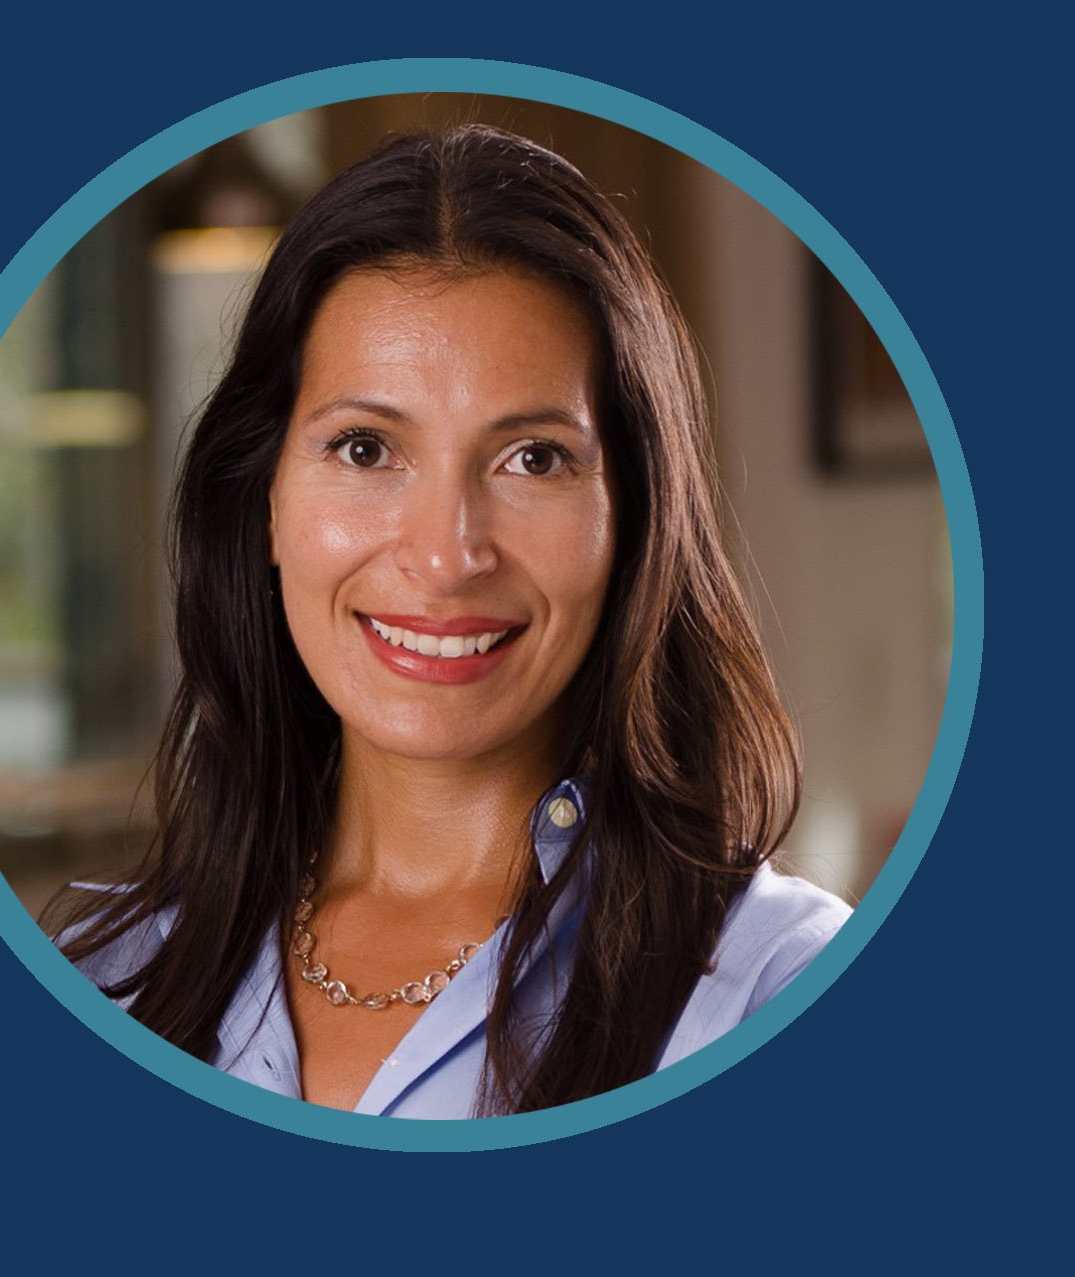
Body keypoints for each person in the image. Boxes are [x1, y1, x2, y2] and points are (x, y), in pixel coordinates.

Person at [50, 124, 850, 1118]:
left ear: (633, 515)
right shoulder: (105, 979)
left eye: (533, 459)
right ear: (263, 498)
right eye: (365, 448)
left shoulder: (780, 987)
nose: (444, 554)